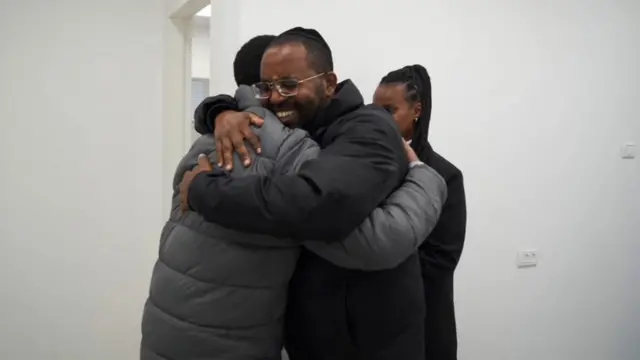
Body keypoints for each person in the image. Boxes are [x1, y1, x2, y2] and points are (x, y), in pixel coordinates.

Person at [140, 35, 446, 360]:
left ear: (329, 82)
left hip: (174, 329)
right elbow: (377, 240)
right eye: (268, 87)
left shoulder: (219, 138)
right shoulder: (269, 142)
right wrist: (426, 180)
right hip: (231, 341)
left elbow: (328, 212)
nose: (276, 97)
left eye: (288, 84)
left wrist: (204, 184)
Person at [373, 64, 468, 360]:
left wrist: (375, 257)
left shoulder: (445, 175)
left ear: (416, 110)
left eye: (389, 110)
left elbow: (442, 258)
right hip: (371, 326)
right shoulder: (365, 165)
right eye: (374, 111)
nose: (378, 120)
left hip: (424, 323)